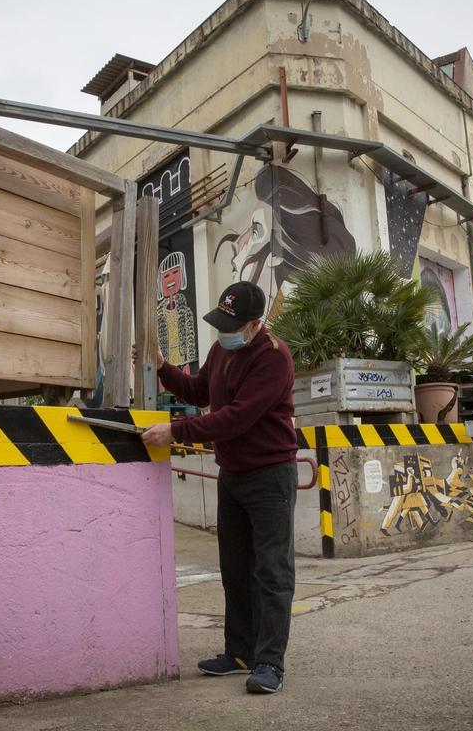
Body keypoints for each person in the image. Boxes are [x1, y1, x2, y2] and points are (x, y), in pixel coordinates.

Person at [140, 281, 298, 694]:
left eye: (232, 324)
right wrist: (162, 366)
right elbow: (198, 390)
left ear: (253, 324)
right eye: (221, 322)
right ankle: (240, 652)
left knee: (271, 572)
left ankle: (269, 663)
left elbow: (236, 417)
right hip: (233, 475)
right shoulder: (221, 350)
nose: (224, 331)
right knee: (235, 571)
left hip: (269, 475)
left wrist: (176, 431)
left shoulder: (273, 358)